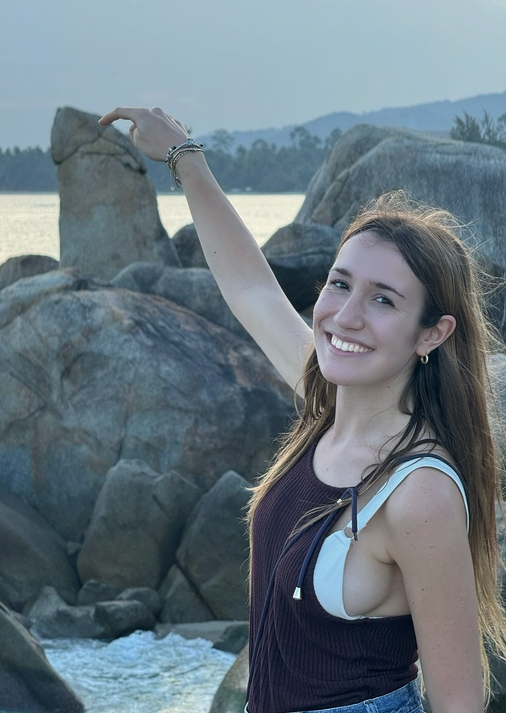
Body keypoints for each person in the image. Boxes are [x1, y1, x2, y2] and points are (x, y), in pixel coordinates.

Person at [98, 106, 506, 713]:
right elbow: (253, 289)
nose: (345, 316)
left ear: (431, 335)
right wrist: (187, 158)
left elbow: (458, 702)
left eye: (383, 301)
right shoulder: (327, 403)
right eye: (339, 284)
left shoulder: (418, 491)